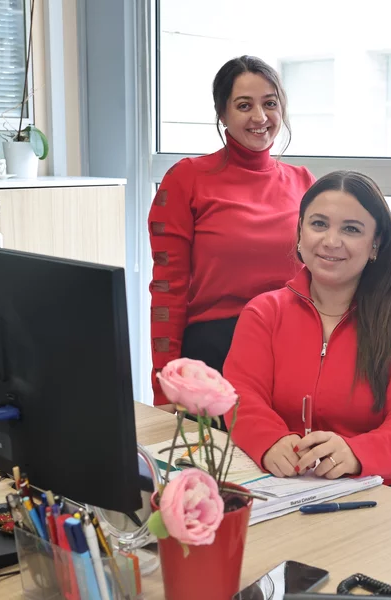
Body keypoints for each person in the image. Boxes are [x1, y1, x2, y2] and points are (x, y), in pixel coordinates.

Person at [224, 171, 391, 510]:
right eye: (319, 224)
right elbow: (241, 395)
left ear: (375, 244)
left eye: (351, 229)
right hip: (300, 486)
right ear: (300, 233)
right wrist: (269, 441)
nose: (331, 241)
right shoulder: (264, 312)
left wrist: (356, 452)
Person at [148, 55, 316, 411]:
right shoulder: (186, 179)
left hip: (293, 348)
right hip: (215, 355)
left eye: (270, 103)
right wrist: (164, 386)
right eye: (244, 105)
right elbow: (167, 292)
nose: (260, 117)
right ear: (222, 114)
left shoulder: (304, 182)